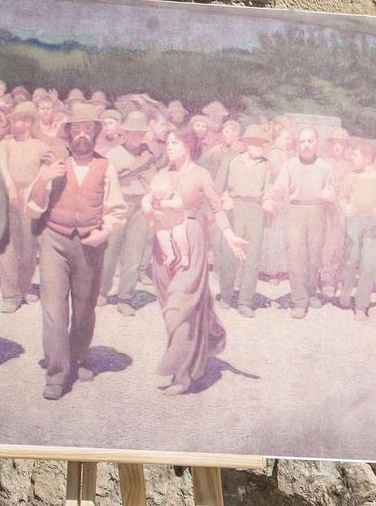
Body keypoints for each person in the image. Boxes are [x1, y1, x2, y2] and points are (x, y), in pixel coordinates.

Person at [26, 102, 128, 400]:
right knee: (55, 311)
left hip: (90, 244)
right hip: (54, 241)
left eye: (88, 129)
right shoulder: (55, 164)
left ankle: (80, 355)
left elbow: (116, 209)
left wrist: (104, 233)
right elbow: (32, 206)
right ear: (68, 134)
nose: (82, 134)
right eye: (77, 129)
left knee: (84, 309)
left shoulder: (105, 167)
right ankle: (57, 373)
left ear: (96, 134)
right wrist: (44, 178)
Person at [139, 129, 246, 394]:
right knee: (169, 309)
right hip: (163, 243)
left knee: (179, 305)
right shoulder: (161, 175)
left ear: (188, 146)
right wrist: (149, 209)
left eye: (175, 143)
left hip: (191, 240)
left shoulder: (201, 175)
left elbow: (217, 208)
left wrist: (230, 235)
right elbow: (150, 206)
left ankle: (182, 374)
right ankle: (190, 358)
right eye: (169, 143)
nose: (170, 147)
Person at [264, 125, 337, 318]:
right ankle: (299, 301)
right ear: (298, 144)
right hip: (295, 210)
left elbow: (331, 191)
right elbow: (279, 186)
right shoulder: (289, 165)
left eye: (310, 141)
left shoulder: (324, 166)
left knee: (314, 257)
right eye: (302, 141)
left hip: (317, 211)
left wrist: (330, 195)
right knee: (296, 257)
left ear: (317, 143)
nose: (306, 145)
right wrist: (278, 193)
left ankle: (312, 292)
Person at [0, 101, 52, 313]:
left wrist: (34, 191)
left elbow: (48, 169)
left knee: (29, 246)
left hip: (31, 199)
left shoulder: (41, 146)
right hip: (8, 197)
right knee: (8, 247)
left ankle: (25, 287)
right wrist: (9, 186)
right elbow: (1, 166)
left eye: (16, 120)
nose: (12, 124)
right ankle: (10, 295)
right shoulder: (5, 144)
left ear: (27, 122)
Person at [99, 109, 159, 315]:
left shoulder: (148, 156)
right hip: (118, 203)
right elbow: (104, 182)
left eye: (140, 133)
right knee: (109, 251)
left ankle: (125, 297)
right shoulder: (113, 154)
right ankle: (101, 291)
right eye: (133, 132)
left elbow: (155, 182)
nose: (137, 136)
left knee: (134, 253)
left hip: (141, 205)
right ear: (125, 133)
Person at [213, 122, 276, 317]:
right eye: (256, 143)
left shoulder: (266, 165)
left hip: (256, 211)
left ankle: (245, 302)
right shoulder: (232, 161)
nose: (260, 147)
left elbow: (269, 190)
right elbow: (219, 188)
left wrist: (267, 201)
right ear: (246, 143)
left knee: (252, 256)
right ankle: (225, 296)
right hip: (235, 209)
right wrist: (225, 199)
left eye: (262, 144)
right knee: (230, 254)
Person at [338, 140, 376, 319]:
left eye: (355, 155)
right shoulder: (350, 176)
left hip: (371, 225)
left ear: (368, 159)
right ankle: (345, 290)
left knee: (368, 264)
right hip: (353, 224)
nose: (352, 158)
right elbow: (342, 198)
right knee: (351, 261)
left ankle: (361, 306)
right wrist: (345, 206)